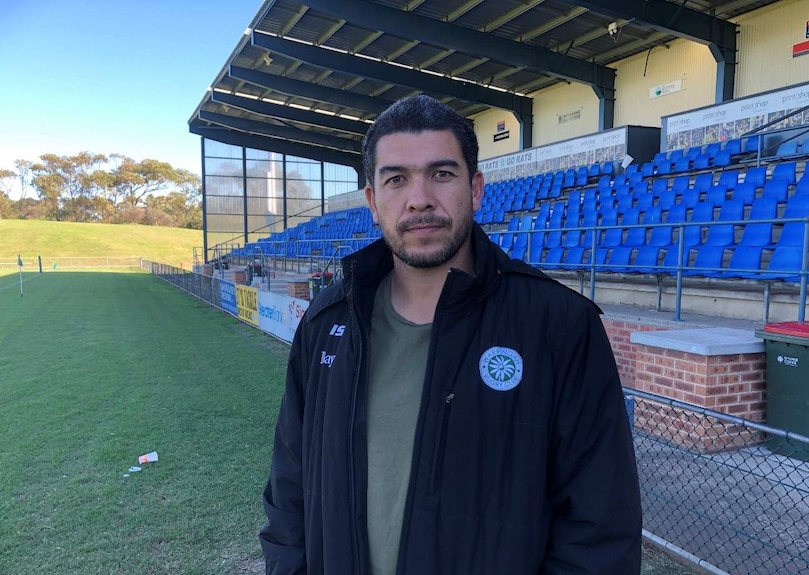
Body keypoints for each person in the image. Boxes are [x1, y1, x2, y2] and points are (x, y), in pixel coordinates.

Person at [259, 94, 642, 574]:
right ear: (373, 202)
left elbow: (600, 528)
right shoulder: (326, 322)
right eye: (396, 179)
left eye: (442, 174)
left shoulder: (559, 326)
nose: (419, 198)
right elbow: (288, 489)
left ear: (476, 189)